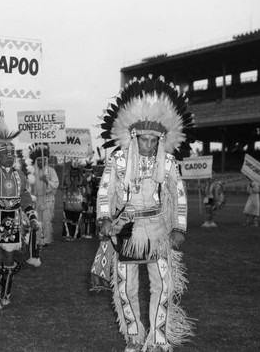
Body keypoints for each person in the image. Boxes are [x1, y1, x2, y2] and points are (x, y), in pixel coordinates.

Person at [90, 76, 194, 352]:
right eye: (143, 139)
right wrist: (105, 218)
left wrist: (178, 228)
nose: (148, 145)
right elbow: (104, 192)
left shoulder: (169, 163)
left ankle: (158, 339)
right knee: (126, 288)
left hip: (158, 233)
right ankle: (135, 338)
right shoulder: (119, 160)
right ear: (133, 137)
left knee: (162, 286)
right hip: (126, 232)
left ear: (161, 139)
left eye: (153, 140)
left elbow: (179, 196)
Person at [0, 133, 41, 309]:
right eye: (6, 155)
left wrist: (32, 217)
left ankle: (5, 295)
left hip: (13, 220)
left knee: (9, 259)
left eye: (12, 155)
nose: (10, 157)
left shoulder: (19, 175)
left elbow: (25, 198)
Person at [29, 145, 59, 246]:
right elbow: (30, 186)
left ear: (46, 160)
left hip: (48, 199)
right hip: (37, 199)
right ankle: (38, 239)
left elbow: (55, 184)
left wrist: (47, 181)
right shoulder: (33, 172)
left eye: (43, 160)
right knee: (37, 220)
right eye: (39, 160)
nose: (41, 162)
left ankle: (46, 239)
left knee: (46, 220)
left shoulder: (51, 171)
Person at [62, 158, 89, 241]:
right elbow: (61, 187)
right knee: (68, 217)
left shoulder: (82, 177)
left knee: (76, 218)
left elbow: (87, 188)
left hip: (78, 200)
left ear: (78, 170)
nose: (74, 172)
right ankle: (68, 234)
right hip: (68, 200)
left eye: (76, 170)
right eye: (73, 170)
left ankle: (75, 235)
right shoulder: (66, 176)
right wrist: (65, 188)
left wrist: (85, 194)